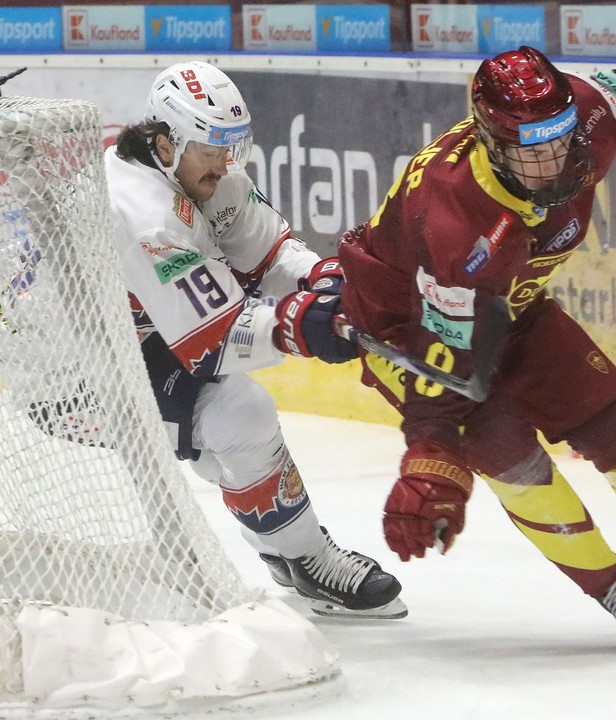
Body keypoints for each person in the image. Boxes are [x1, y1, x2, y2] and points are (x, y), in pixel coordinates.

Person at [337, 46, 616, 649]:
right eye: (532, 148)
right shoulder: (458, 225)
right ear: (492, 143)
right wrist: (432, 454)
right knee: (507, 453)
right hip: (408, 332)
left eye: (560, 136)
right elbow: (448, 362)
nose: (555, 160)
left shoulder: (592, 112)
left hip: (513, 306)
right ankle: (612, 584)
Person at [104, 61, 405, 618]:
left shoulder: (201, 172)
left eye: (231, 147)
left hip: (149, 341)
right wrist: (303, 326)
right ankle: (305, 557)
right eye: (211, 150)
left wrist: (330, 282)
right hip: (84, 374)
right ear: (166, 144)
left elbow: (269, 255)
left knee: (237, 434)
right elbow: (213, 340)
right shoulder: (141, 212)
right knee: (239, 416)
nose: (225, 164)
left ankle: (287, 551)